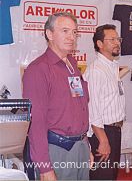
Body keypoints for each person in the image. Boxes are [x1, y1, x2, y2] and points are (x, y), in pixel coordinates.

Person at [22, 12, 90, 180]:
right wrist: (45, 168)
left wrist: (85, 146)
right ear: (49, 34)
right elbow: (35, 123)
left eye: (74, 32)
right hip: (56, 150)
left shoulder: (72, 65)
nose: (71, 37)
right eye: (65, 31)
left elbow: (79, 107)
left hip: (79, 147)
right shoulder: (38, 69)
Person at [83, 24, 125, 180]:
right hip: (102, 133)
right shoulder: (96, 71)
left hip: (113, 131)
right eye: (112, 39)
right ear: (100, 44)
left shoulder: (112, 66)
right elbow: (92, 109)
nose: (117, 42)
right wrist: (103, 140)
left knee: (111, 176)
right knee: (102, 176)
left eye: (118, 39)